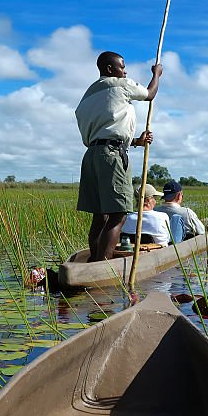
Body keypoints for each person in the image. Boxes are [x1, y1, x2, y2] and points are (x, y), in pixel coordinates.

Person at [75, 51, 163, 261]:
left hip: (92, 156)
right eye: (122, 67)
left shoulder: (88, 96)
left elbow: (104, 130)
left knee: (100, 215)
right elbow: (149, 93)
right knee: (118, 214)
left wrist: (135, 142)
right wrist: (157, 74)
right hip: (112, 156)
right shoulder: (120, 85)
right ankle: (102, 266)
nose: (125, 71)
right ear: (109, 69)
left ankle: (95, 262)